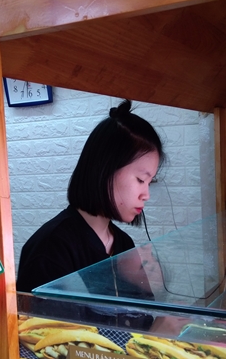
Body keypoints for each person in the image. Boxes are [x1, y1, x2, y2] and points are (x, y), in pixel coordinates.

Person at [16, 99, 165, 293]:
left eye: (149, 182)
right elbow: (39, 323)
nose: (146, 195)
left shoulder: (123, 244)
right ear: (105, 170)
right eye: (140, 180)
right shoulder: (51, 249)